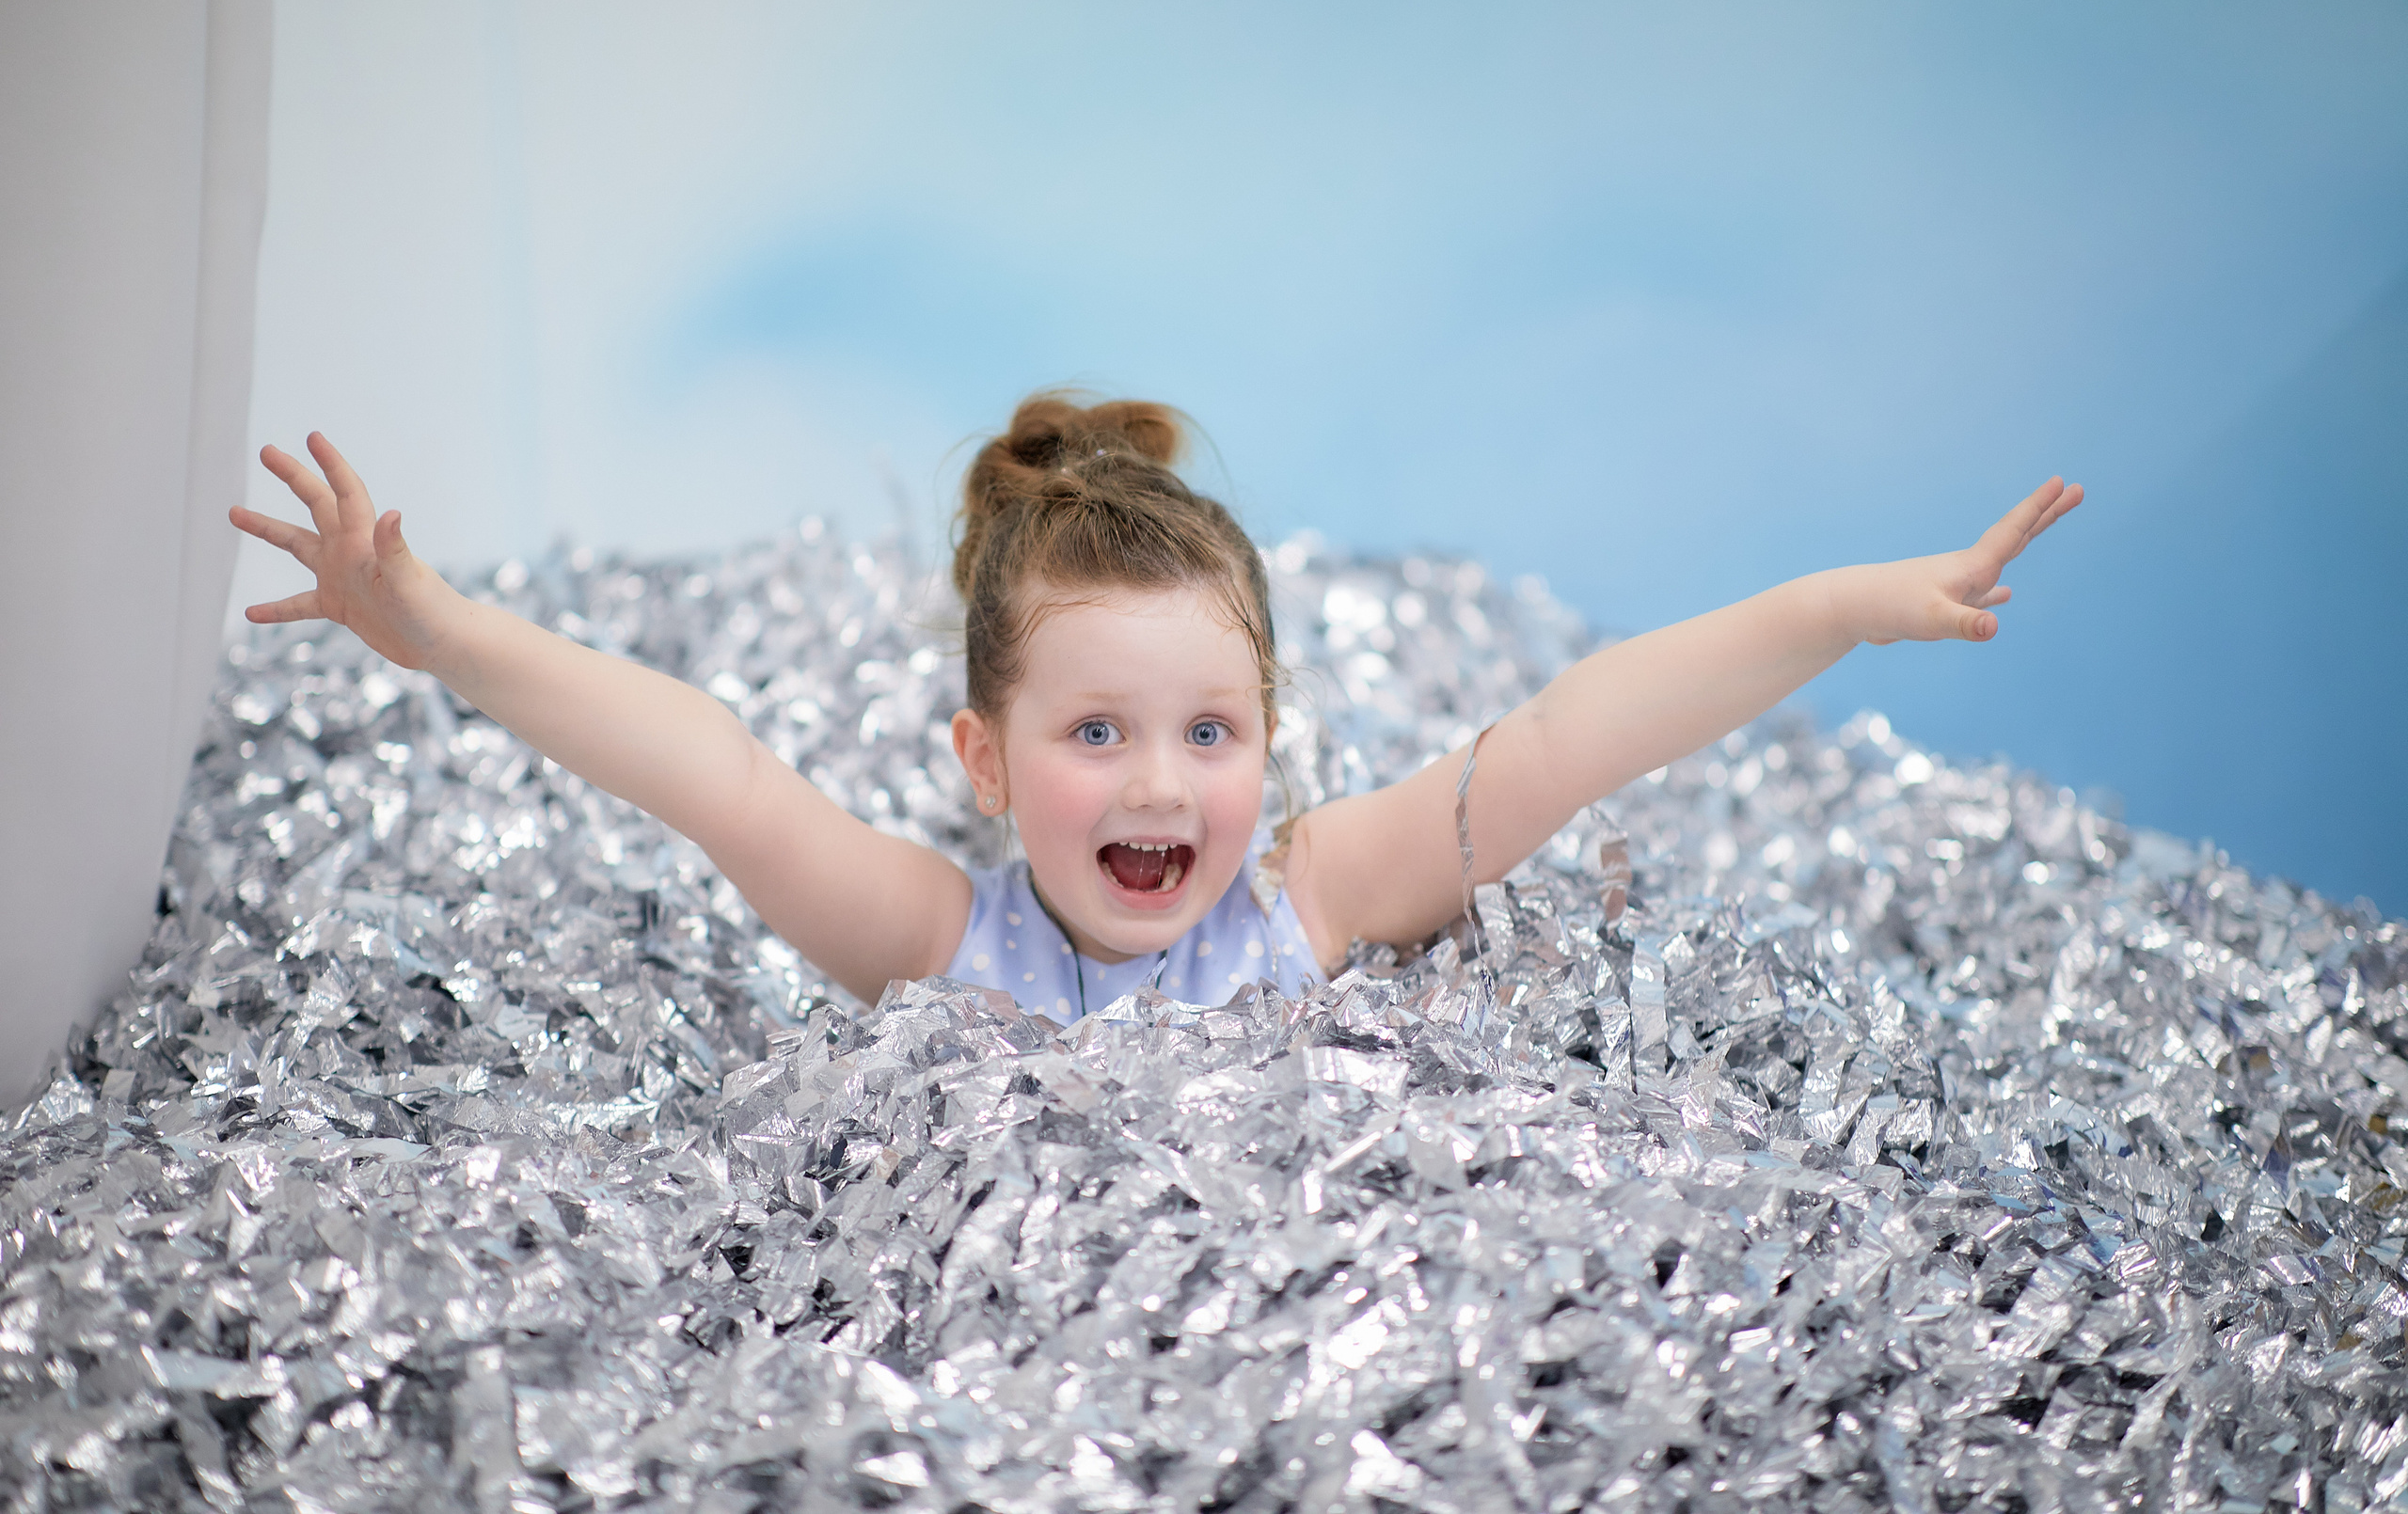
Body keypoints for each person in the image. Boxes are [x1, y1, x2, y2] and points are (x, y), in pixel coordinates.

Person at [230, 391, 2082, 1019]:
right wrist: (449, 633)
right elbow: (718, 779)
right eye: (1092, 730)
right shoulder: (938, 943)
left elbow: (1569, 733)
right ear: (982, 756)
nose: (1157, 780)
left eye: (1208, 731)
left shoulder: (1315, 897)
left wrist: (1840, 607)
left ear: (1268, 743)